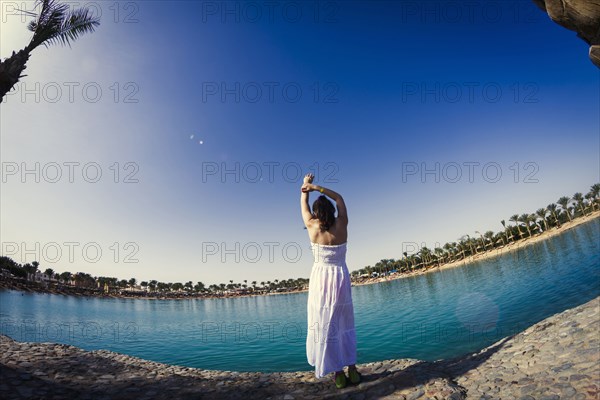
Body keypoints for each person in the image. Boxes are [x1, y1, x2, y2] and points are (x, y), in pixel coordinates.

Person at [300, 173, 361, 389]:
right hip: (341, 276)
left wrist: (306, 186)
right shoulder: (342, 223)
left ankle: (338, 373)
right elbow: (340, 198)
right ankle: (352, 370)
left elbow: (303, 202)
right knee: (345, 322)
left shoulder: (312, 226)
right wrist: (318, 187)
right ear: (332, 211)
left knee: (327, 325)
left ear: (317, 213)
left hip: (320, 278)